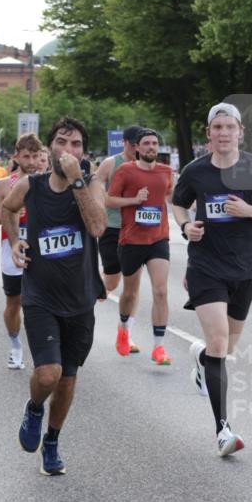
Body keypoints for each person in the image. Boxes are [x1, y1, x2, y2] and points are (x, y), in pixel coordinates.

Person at [172, 103, 252, 456]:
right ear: (208, 134)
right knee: (221, 342)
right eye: (217, 127)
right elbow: (178, 203)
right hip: (206, 268)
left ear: (240, 131)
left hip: (246, 270)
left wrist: (249, 211)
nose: (223, 133)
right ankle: (222, 430)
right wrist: (184, 225)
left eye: (230, 127)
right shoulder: (196, 172)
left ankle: (201, 357)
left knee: (225, 348)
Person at [2, 117, 106, 475]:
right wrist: (15, 240)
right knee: (48, 374)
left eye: (77, 144)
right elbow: (7, 209)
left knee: (66, 381)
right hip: (40, 296)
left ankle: (53, 441)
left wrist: (77, 179)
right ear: (51, 149)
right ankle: (34, 408)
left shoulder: (91, 185)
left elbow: (96, 226)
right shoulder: (31, 186)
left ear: (83, 152)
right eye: (63, 142)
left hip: (80, 300)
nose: (70, 149)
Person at [106, 128, 175, 366]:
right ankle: (124, 329)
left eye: (155, 143)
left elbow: (171, 198)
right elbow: (109, 200)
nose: (151, 147)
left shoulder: (166, 172)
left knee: (161, 291)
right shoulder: (125, 170)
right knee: (130, 293)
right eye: (146, 143)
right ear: (137, 147)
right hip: (132, 240)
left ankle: (159, 347)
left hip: (158, 239)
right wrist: (134, 200)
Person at [0, 133, 44, 369]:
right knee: (14, 303)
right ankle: (16, 345)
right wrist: (9, 214)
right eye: (26, 156)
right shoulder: (4, 184)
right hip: (12, 251)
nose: (31, 162)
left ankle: (46, 350)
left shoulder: (47, 182)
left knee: (43, 303)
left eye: (35, 156)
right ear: (17, 157)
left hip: (43, 251)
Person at [95, 125, 143, 351]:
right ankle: (90, 291)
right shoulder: (110, 163)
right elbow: (96, 188)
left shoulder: (147, 165)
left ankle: (125, 334)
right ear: (124, 142)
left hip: (137, 231)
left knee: (132, 285)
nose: (137, 148)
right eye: (133, 144)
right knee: (112, 281)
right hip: (112, 228)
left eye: (140, 144)